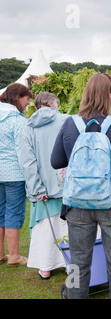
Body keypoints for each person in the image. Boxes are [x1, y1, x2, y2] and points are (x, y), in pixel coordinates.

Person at [51, 73, 111, 299]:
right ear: (110, 94)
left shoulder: (69, 124)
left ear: (85, 94)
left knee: (78, 262)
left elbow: (56, 161)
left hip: (77, 203)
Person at [19, 92, 69, 279]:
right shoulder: (68, 120)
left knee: (46, 228)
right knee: (68, 226)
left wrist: (36, 188)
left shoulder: (28, 126)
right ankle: (70, 264)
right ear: (52, 104)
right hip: (66, 184)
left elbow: (27, 161)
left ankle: (45, 267)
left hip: (43, 189)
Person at [0, 83, 32, 267]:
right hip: (14, 173)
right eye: (27, 99)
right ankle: (14, 256)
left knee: (0, 212)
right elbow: (23, 151)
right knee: (13, 213)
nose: (28, 103)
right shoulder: (17, 120)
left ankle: (1, 254)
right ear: (18, 97)